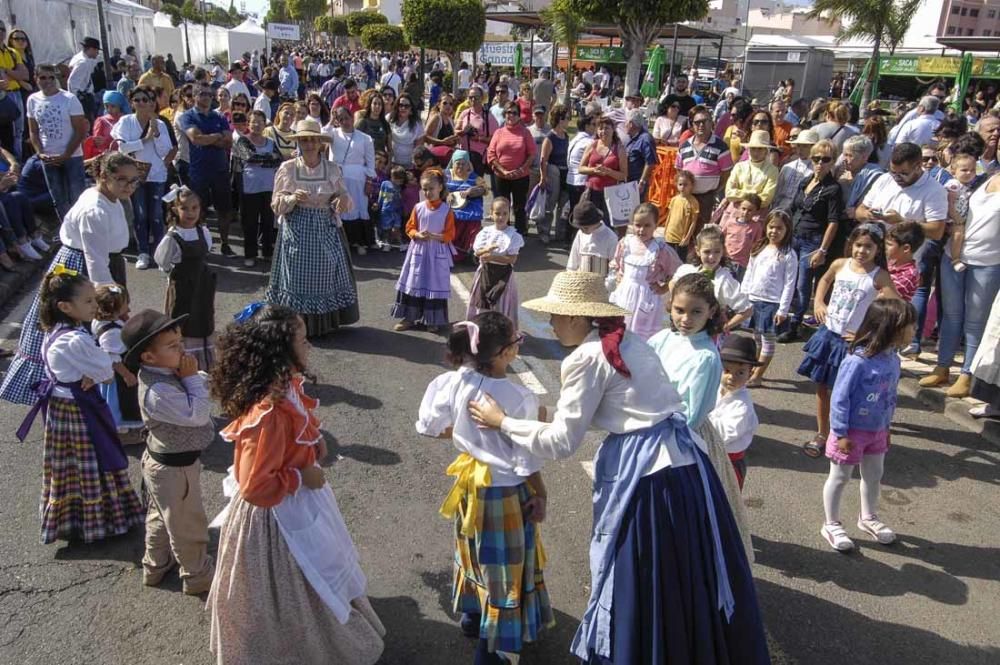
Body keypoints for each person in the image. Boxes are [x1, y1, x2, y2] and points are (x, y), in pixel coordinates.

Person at [469, 270, 769, 664]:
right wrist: (546, 420)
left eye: (556, 316)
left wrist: (502, 422)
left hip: (646, 476)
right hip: (686, 466)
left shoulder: (588, 357)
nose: (552, 323)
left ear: (578, 318)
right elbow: (623, 405)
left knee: (642, 578)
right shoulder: (632, 341)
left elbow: (563, 441)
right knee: (688, 573)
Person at [207, 304, 385, 664]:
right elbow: (256, 486)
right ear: (279, 350)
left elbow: (296, 434)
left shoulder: (284, 386)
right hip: (277, 518)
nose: (309, 346)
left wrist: (313, 445)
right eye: (302, 340)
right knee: (292, 583)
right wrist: (301, 475)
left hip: (297, 502)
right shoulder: (268, 413)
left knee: (312, 574)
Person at [417, 312, 552, 665]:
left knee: (474, 552)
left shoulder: (456, 381)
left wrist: (465, 437)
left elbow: (430, 424)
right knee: (504, 568)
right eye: (516, 340)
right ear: (505, 353)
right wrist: (541, 493)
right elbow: (526, 460)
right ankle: (494, 652)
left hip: (469, 484)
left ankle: (473, 616)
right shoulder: (518, 396)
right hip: (504, 492)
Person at [14, 267, 144, 543]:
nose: (94, 306)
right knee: (94, 460)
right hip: (77, 409)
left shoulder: (57, 331)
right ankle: (102, 520)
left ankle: (75, 519)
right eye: (87, 301)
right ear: (64, 306)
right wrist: (93, 372)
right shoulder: (75, 339)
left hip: (63, 406)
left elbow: (90, 368)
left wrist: (89, 372)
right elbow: (106, 370)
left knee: (69, 465)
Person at [1, 153, 138, 404]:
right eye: (122, 180)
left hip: (103, 263)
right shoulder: (94, 210)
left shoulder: (108, 197)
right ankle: (84, 392)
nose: (129, 186)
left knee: (101, 334)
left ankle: (102, 394)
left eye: (133, 181)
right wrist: (112, 302)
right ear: (103, 176)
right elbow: (95, 262)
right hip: (83, 270)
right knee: (89, 331)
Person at [121, 309, 215, 594]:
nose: (182, 349)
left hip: (168, 463)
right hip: (174, 469)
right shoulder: (158, 391)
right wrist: (191, 379)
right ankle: (198, 576)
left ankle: (156, 566)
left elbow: (196, 381)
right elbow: (197, 413)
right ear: (148, 357)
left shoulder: (165, 372)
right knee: (187, 525)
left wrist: (191, 376)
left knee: (162, 516)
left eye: (181, 342)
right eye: (173, 346)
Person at [820, 299, 915, 551]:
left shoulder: (894, 361)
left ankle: (868, 517)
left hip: (878, 431)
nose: (913, 331)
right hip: (850, 432)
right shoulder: (857, 361)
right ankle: (831, 523)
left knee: (874, 475)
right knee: (840, 477)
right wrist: (839, 432)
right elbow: (840, 397)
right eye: (909, 326)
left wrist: (888, 427)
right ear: (889, 328)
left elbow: (890, 398)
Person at [798, 224, 898, 458]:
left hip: (854, 344)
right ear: (851, 244)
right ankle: (823, 434)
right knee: (822, 388)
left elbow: (897, 309)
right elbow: (824, 280)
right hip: (829, 335)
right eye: (858, 245)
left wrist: (871, 335)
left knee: (849, 393)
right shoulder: (840, 264)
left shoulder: (879, 276)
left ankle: (846, 435)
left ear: (877, 250)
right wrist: (818, 302)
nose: (862, 251)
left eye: (868, 247)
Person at [267, 119, 359, 337]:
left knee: (325, 274)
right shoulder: (288, 169)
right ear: (298, 143)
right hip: (296, 229)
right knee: (296, 277)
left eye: (312, 140)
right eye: (304, 140)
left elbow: (343, 196)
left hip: (324, 228)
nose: (308, 144)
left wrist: (341, 200)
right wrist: (291, 198)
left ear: (320, 143)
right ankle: (296, 326)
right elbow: (276, 205)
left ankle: (321, 324)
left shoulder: (333, 169)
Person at [922, 163, 1000, 397]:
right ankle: (942, 367)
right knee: (951, 316)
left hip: (988, 262)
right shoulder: (985, 177)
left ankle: (967, 375)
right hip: (953, 255)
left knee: (976, 322)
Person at [779, 138, 844, 343]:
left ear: (832, 161)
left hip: (813, 240)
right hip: (795, 235)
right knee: (788, 278)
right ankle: (787, 319)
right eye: (816, 158)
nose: (820, 163)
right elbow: (794, 208)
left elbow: (833, 222)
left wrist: (822, 250)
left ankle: (796, 324)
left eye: (825, 159)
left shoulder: (833, 189)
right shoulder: (806, 181)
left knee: (802, 284)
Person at [112, 85, 175, 270]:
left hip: (156, 174)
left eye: (145, 100)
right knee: (140, 214)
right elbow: (122, 148)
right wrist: (145, 139)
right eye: (137, 100)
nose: (141, 103)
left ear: (152, 103)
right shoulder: (125, 122)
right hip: (134, 175)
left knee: (156, 215)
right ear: (131, 103)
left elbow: (165, 150)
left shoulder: (161, 123)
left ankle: (159, 254)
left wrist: (155, 134)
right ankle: (143, 252)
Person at [154, 186, 217, 369]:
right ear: (175, 209)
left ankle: (203, 364)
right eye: (184, 208)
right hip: (183, 287)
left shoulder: (202, 231)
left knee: (203, 318)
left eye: (195, 208)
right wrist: (174, 278)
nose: (190, 213)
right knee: (184, 320)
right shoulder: (173, 237)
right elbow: (163, 262)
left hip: (202, 285)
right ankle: (182, 363)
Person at [391, 168, 454, 333]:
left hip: (436, 253)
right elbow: (409, 228)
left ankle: (433, 319)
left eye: (431, 188)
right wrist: (417, 234)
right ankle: (409, 317)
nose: (428, 192)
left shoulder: (446, 210)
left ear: (440, 187)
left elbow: (449, 234)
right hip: (418, 251)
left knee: (434, 284)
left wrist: (434, 236)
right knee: (414, 282)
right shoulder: (418, 208)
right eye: (424, 189)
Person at [608, 203, 681, 339]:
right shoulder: (626, 243)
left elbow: (676, 272)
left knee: (640, 335)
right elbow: (617, 263)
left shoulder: (660, 249)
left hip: (646, 297)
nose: (641, 230)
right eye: (638, 225)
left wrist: (664, 288)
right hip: (624, 293)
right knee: (621, 328)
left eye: (647, 225)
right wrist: (619, 277)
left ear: (655, 225)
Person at [741, 210, 797, 385]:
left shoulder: (788, 254)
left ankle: (757, 376)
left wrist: (783, 310)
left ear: (787, 230)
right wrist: (744, 296)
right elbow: (750, 271)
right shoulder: (759, 247)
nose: (774, 231)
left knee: (768, 341)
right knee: (756, 337)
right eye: (771, 227)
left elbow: (790, 284)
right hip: (754, 299)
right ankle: (753, 368)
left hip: (772, 303)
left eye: (779, 228)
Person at [179, 85, 235, 256]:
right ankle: (201, 246)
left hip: (220, 169)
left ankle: (225, 244)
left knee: (224, 210)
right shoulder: (187, 116)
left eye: (210, 94)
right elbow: (196, 139)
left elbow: (228, 142)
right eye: (203, 93)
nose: (207, 97)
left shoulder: (219, 116)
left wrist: (209, 138)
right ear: (195, 96)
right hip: (199, 171)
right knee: (198, 210)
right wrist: (217, 136)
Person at [27, 64, 88, 219]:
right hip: (48, 157)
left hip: (72, 156)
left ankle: (82, 233)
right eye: (43, 77)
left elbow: (80, 131)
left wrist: (66, 154)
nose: (47, 81)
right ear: (36, 79)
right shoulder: (32, 100)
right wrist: (40, 153)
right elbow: (33, 131)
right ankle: (66, 232)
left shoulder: (69, 99)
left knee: (77, 198)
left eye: (51, 77)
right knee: (58, 199)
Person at [674, 225, 754, 334]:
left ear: (723, 251)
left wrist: (726, 326)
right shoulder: (687, 270)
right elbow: (673, 282)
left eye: (717, 251)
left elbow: (747, 310)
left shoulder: (724, 280)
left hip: (708, 332)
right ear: (698, 251)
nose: (712, 257)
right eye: (707, 252)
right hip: (683, 326)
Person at [707, 334, 761, 490]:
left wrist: (700, 421)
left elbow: (725, 434)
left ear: (750, 374)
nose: (732, 377)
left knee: (725, 499)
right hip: (710, 454)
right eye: (727, 370)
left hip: (728, 462)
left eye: (740, 373)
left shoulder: (742, 406)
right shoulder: (714, 389)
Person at [233, 111, 283, 268]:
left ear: (264, 124)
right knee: (250, 222)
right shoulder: (243, 141)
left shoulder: (270, 141)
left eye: (259, 122)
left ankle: (267, 252)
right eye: (253, 122)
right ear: (248, 123)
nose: (256, 125)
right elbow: (249, 157)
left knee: (268, 221)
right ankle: (250, 254)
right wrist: (268, 159)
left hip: (269, 188)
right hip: (250, 188)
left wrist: (263, 160)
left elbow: (278, 159)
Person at [92, 284, 143, 432]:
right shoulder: (111, 333)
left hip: (118, 370)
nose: (129, 307)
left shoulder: (105, 321)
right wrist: (126, 375)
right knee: (122, 401)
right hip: (119, 375)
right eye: (126, 303)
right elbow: (111, 356)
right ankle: (122, 430)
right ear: (114, 308)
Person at [326, 105, 377, 255]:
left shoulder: (365, 138)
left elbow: (370, 162)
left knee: (357, 207)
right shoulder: (333, 134)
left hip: (358, 178)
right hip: (338, 177)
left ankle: (360, 242)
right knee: (340, 209)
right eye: (340, 119)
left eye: (346, 118)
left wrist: (369, 181)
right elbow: (322, 134)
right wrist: (330, 121)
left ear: (352, 118)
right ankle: (341, 242)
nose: (344, 122)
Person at [468, 198, 523, 328]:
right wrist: (486, 250)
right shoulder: (485, 232)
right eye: (497, 213)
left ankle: (502, 333)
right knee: (483, 301)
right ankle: (482, 330)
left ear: (509, 214)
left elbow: (512, 259)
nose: (501, 217)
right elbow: (477, 252)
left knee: (502, 303)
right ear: (491, 213)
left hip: (503, 274)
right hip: (485, 273)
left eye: (505, 213)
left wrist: (492, 257)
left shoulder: (513, 235)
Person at [676, 105, 733, 228]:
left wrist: (714, 190)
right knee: (682, 229)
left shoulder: (721, 146)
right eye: (697, 122)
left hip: (706, 198)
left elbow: (726, 173)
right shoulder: (684, 145)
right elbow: (679, 170)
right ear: (692, 125)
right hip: (686, 196)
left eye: (704, 121)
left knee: (701, 232)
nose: (701, 125)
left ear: (711, 123)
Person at [487, 102, 536, 235]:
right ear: (505, 114)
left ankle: (519, 236)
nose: (511, 115)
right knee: (502, 206)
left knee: (519, 208)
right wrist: (503, 171)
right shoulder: (498, 132)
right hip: (501, 176)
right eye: (509, 112)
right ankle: (503, 235)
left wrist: (521, 170)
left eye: (514, 113)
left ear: (519, 116)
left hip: (520, 176)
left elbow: (532, 153)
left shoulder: (525, 133)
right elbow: (491, 154)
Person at [578, 115, 626, 229]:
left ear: (613, 130)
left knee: (606, 225)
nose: (603, 131)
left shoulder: (619, 148)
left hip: (609, 194)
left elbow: (624, 175)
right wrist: (594, 170)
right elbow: (581, 168)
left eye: (606, 128)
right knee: (589, 223)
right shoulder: (592, 145)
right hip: (591, 191)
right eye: (600, 128)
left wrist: (608, 172)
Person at [445, 150, 487, 261]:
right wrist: (446, 195)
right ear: (453, 163)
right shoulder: (446, 175)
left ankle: (471, 249)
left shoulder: (474, 177)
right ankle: (451, 251)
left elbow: (484, 190)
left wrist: (472, 191)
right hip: (451, 206)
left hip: (471, 205)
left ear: (468, 164)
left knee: (473, 221)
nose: (460, 166)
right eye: (458, 163)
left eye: (464, 163)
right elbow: (438, 187)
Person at [566, 200, 618, 277]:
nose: (582, 230)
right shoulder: (580, 233)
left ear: (596, 221)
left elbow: (614, 264)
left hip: (601, 283)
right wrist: (570, 274)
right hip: (581, 281)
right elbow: (574, 257)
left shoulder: (610, 237)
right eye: (580, 228)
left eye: (586, 228)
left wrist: (609, 283)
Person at [455, 86, 499, 177]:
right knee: (461, 185)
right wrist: (464, 131)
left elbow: (495, 139)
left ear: (482, 98)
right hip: (463, 156)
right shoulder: (464, 113)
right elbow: (455, 131)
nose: (473, 100)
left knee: (475, 186)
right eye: (471, 97)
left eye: (476, 97)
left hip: (479, 158)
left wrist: (478, 138)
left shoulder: (488, 117)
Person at [772, 128, 817, 211]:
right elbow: (778, 191)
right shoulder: (788, 167)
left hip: (800, 210)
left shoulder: (815, 170)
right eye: (799, 145)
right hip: (781, 207)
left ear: (813, 147)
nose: (800, 149)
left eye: (805, 146)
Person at [664, 169, 699, 261]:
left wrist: (687, 238)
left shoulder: (693, 202)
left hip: (681, 239)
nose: (682, 187)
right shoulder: (674, 199)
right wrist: (665, 231)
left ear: (692, 185)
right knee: (668, 260)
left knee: (679, 261)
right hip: (669, 236)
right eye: (680, 184)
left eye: (686, 185)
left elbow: (693, 222)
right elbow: (669, 216)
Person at [886, 222, 924, 304]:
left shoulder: (910, 274)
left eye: (889, 244)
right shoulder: (891, 263)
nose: (885, 247)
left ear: (906, 248)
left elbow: (887, 294)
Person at [624, 109, 657, 200]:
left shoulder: (645, 139)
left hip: (637, 183)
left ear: (631, 124)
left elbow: (650, 162)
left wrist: (642, 182)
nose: (624, 125)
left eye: (625, 122)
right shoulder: (632, 137)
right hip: (628, 181)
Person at [67, 37, 101, 122]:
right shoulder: (83, 63)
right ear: (91, 49)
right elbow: (72, 82)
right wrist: (75, 100)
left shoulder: (79, 58)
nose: (97, 53)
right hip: (83, 98)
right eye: (97, 50)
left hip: (84, 96)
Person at [388, 93, 425, 169]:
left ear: (411, 108)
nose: (403, 108)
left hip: (409, 165)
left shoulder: (417, 124)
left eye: (406, 106)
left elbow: (418, 147)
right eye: (401, 105)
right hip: (391, 163)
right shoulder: (389, 119)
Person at [377, 165, 406, 250]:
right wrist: (378, 204)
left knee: (397, 228)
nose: (398, 181)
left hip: (397, 211)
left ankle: (400, 244)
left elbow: (401, 200)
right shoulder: (385, 184)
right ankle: (386, 243)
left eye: (400, 180)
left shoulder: (401, 187)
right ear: (392, 176)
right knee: (386, 228)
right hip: (386, 210)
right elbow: (381, 195)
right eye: (396, 178)